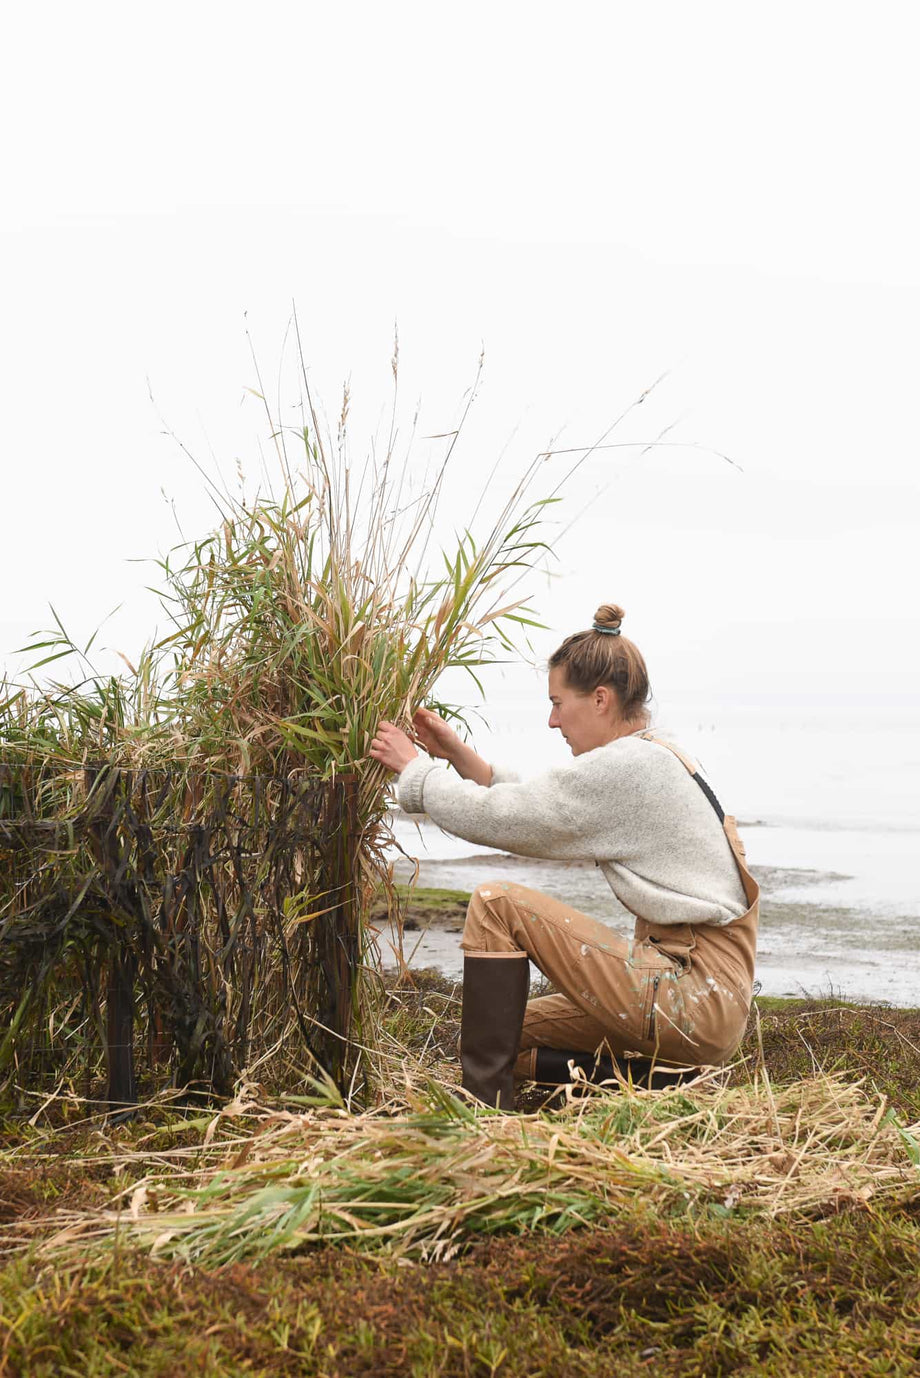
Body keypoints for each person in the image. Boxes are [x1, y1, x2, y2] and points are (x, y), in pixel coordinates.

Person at [369, 603, 759, 1110]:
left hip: (692, 994)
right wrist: (460, 758)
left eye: (558, 703)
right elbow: (542, 804)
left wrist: (415, 772)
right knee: (513, 1032)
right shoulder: (654, 754)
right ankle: (664, 1085)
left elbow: (513, 820)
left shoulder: (632, 767)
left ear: (600, 699)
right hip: (705, 999)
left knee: (496, 902)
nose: (552, 721)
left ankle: (484, 1115)